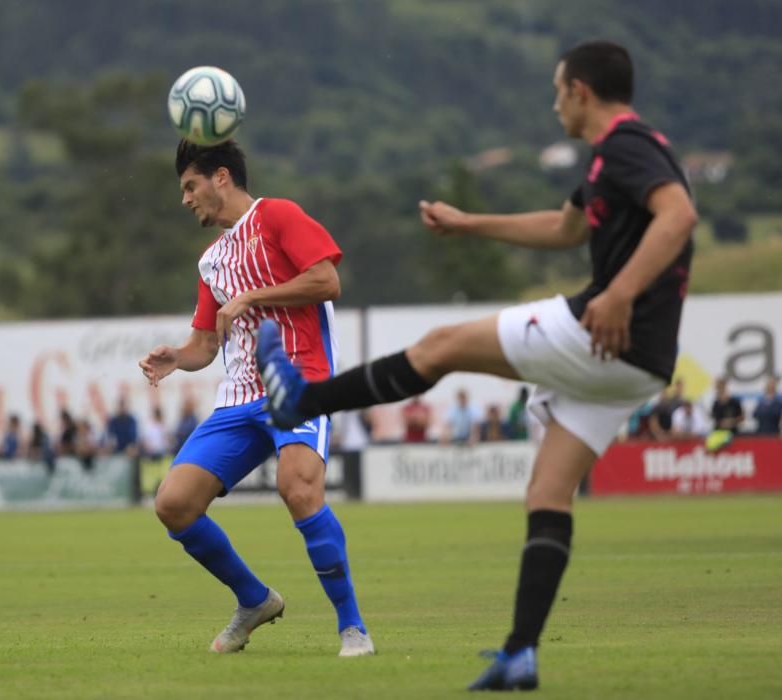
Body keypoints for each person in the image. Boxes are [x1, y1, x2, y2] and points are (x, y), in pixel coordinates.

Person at [257, 40, 696, 691]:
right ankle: (519, 654)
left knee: (440, 346)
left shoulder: (627, 146)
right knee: (547, 495)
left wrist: (619, 293)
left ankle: (303, 403)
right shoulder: (611, 160)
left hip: (606, 335)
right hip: (636, 366)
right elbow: (564, 228)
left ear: (579, 91)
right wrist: (468, 224)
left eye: (556, 91)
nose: (552, 104)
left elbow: (679, 214)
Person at [138, 139, 373, 657]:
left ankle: (353, 628)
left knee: (299, 489)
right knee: (174, 503)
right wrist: (176, 357)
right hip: (240, 396)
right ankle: (254, 600)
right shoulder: (211, 261)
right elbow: (205, 344)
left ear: (221, 177)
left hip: (299, 382)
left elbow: (326, 279)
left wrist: (251, 297)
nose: (185, 199)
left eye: (189, 185)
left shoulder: (279, 215)